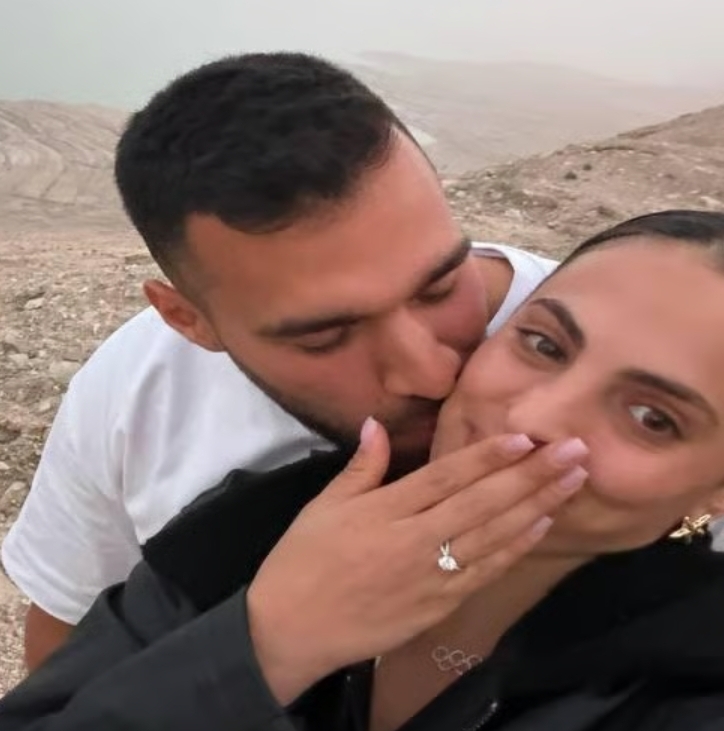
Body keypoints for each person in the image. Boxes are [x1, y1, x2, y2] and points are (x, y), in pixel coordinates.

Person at [3, 208, 724, 731]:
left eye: (652, 417)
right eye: (543, 345)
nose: (535, 417)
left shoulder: (692, 682)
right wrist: (268, 640)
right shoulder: (254, 528)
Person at [0, 52, 556, 669]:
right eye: (325, 337)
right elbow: (67, 645)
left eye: (441, 286)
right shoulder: (133, 393)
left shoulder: (603, 348)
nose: (432, 373)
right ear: (189, 320)